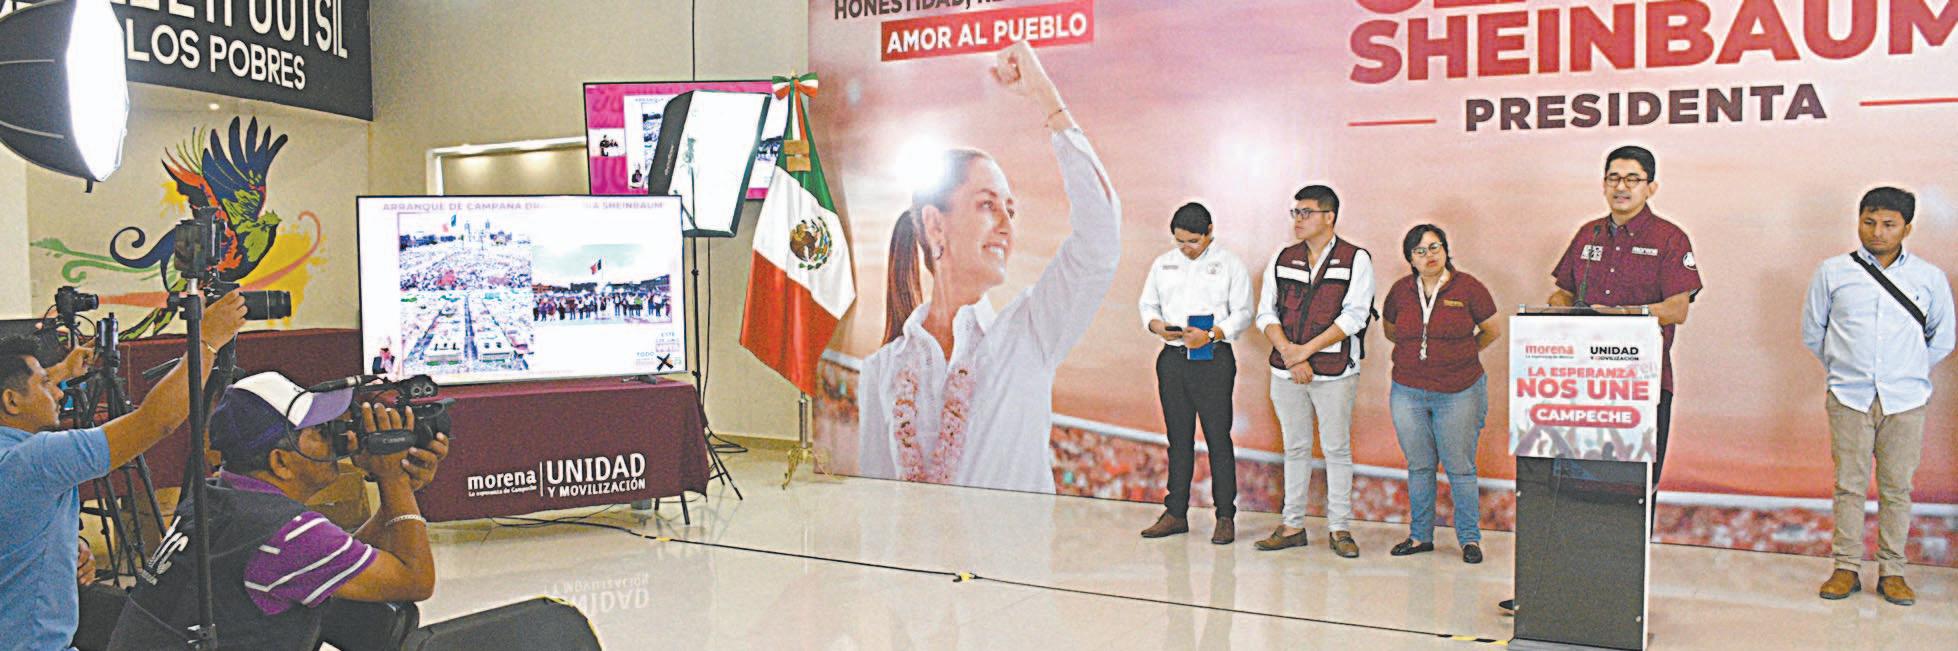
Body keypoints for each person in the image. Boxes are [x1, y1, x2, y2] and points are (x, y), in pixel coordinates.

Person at [856, 41, 1121, 494]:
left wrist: (1045, 96)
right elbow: (876, 503)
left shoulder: (1031, 336)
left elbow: (1100, 237)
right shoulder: (882, 371)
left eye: (1011, 211)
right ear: (935, 225)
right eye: (987, 205)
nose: (1006, 225)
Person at [108, 372, 450, 650]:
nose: (336, 438)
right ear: (281, 462)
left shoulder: (211, 497)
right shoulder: (285, 534)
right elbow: (416, 581)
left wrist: (397, 492)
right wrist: (393, 480)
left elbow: (331, 561)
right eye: (320, 431)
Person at [1503, 144, 1704, 616]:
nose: (1621, 187)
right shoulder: (1587, 235)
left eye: (1632, 179)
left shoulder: (1669, 238)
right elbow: (1562, 292)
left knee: (1629, 494)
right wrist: (1559, 309)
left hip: (1639, 389)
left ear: (1651, 186)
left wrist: (1626, 314)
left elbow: (1677, 308)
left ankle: (1618, 598)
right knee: (1569, 490)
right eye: (1614, 177)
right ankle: (1554, 591)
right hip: (1578, 388)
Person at [0, 293, 248, 651]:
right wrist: (206, 341)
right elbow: (157, 421)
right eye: (44, 383)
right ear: (11, 401)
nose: (59, 392)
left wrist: (61, 544)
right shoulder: (38, 459)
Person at [1802, 187, 1952, 607]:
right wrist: (1844, 369)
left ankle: (1893, 571)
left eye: (1888, 224)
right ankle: (1845, 567)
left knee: (1897, 488)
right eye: (1869, 222)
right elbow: (1814, 333)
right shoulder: (1832, 272)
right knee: (1848, 486)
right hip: (1849, 395)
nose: (1877, 232)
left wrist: (1907, 371)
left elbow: (1942, 339)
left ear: (1907, 227)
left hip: (1905, 400)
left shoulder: (1928, 277)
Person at [1254, 185, 1375, 558]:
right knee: (1295, 448)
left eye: (1306, 212)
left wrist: (1304, 351)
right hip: (1286, 372)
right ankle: (1292, 525)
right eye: (1295, 212)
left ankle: (1340, 528)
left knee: (1336, 449)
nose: (1298, 220)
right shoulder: (1283, 257)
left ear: (1329, 217)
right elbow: (1266, 313)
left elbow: (1355, 316)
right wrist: (1291, 355)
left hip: (1335, 373)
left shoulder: (1356, 259)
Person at [1379, 224, 1501, 564]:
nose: (1429, 256)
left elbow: (1491, 330)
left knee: (1460, 467)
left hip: (1459, 390)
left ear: (1446, 250)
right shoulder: (1400, 291)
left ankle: (1469, 539)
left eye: (1435, 247)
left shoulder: (1469, 288)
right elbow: (1391, 330)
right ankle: (1420, 536)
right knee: (1419, 466)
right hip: (1408, 391)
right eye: (1420, 251)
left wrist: (1458, 356)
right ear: (1410, 259)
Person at [1136, 202, 1254, 544]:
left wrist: (1213, 334)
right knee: (1178, 438)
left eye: (1193, 241)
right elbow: (1148, 305)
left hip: (1213, 358)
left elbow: (1243, 313)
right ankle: (1175, 512)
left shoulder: (1230, 264)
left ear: (1209, 232)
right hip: (1173, 358)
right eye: (1180, 241)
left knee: (1218, 438)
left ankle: (1225, 515)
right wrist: (1157, 325)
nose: (1186, 248)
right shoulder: (1163, 264)